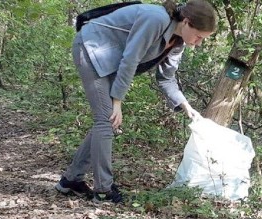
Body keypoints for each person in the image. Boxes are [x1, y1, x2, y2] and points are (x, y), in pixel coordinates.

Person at [55, 0, 217, 203]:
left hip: (110, 59)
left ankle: (70, 181)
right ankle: (103, 191)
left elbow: (166, 77)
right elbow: (131, 58)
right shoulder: (156, 19)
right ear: (186, 22)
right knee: (107, 120)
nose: (198, 43)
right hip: (91, 48)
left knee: (106, 122)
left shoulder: (177, 43)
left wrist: (185, 106)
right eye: (199, 36)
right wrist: (117, 101)